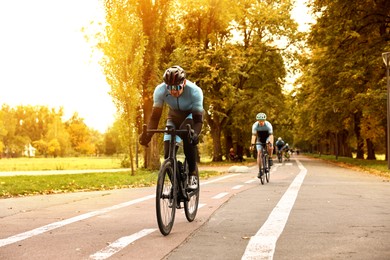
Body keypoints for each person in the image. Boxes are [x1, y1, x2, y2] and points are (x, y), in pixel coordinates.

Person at [139, 65, 204, 190]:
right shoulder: (160, 90)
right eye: (169, 87)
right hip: (174, 116)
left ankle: (192, 174)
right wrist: (148, 135)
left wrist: (195, 134)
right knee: (168, 154)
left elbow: (198, 121)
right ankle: (177, 184)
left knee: (187, 133)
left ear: (184, 83)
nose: (173, 91)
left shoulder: (195, 91)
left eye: (177, 87)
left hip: (191, 116)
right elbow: (155, 117)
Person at [250, 112, 274, 178]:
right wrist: (252, 144)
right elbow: (254, 136)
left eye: (262, 121)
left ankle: (270, 158)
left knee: (270, 147)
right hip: (260, 139)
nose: (260, 122)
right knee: (259, 153)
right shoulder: (255, 125)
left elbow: (271, 136)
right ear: (257, 121)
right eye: (259, 121)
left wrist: (271, 144)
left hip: (267, 137)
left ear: (264, 120)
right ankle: (260, 171)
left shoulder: (268, 125)